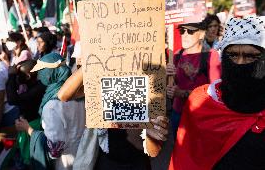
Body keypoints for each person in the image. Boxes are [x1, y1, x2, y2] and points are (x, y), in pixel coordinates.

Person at [169, 16, 265, 170]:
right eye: (233, 55)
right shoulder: (202, 100)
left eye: (250, 56)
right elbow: (187, 159)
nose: (239, 63)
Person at [58, 68, 169, 170]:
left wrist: (149, 132)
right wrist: (92, 56)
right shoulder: (103, 82)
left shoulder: (148, 87)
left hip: (137, 162)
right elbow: (63, 95)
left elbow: (154, 151)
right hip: (108, 160)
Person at [15, 53, 86, 170]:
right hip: (85, 155)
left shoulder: (52, 106)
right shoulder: (79, 93)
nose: (38, 76)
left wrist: (29, 130)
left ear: (50, 72)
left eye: (41, 71)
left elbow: (54, 151)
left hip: (66, 163)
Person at [166, 21, 221, 139]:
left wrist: (181, 93)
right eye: (182, 31)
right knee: (179, 150)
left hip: (200, 113)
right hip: (178, 113)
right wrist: (168, 76)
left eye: (190, 31)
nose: (184, 35)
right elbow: (173, 83)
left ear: (201, 34)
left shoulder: (211, 55)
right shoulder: (176, 55)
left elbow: (215, 93)